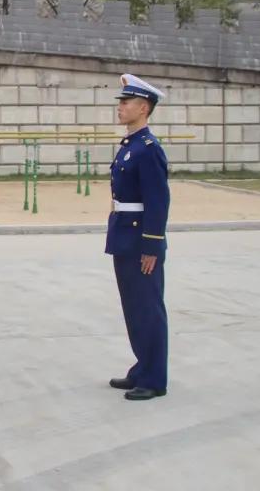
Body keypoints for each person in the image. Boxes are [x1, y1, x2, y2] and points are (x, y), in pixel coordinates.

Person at [106, 73, 171, 401]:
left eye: (126, 102)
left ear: (143, 108)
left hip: (140, 240)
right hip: (124, 236)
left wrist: (151, 246)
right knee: (133, 308)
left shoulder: (148, 150)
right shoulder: (130, 146)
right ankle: (142, 367)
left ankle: (155, 378)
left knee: (148, 308)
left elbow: (158, 202)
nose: (120, 107)